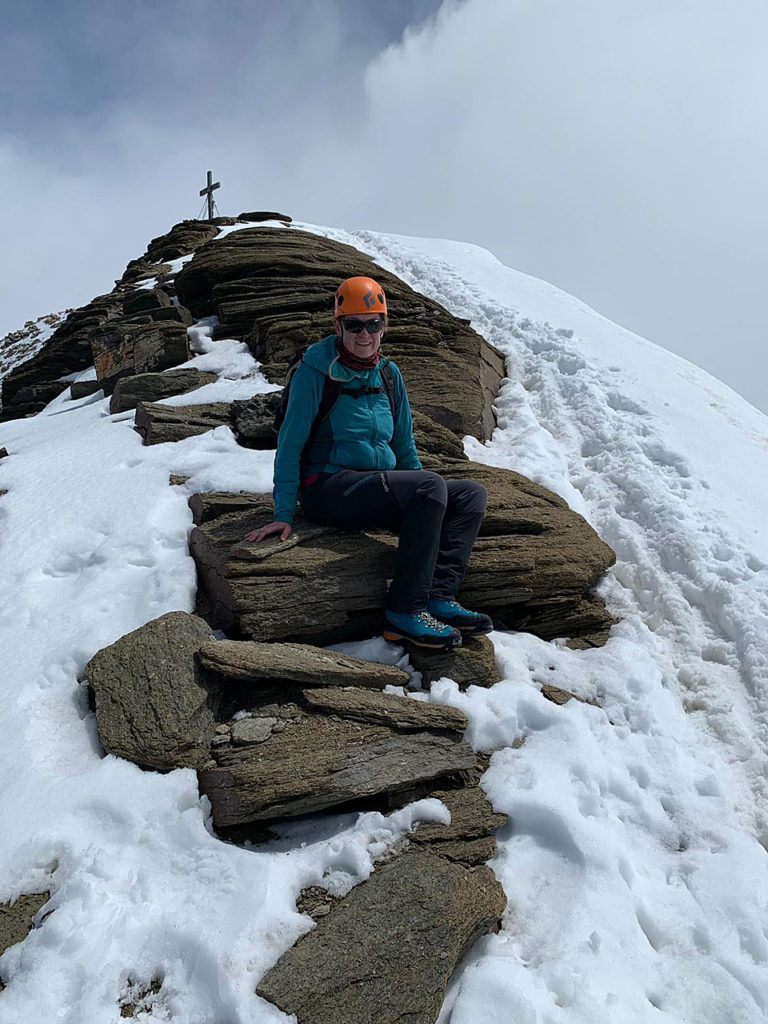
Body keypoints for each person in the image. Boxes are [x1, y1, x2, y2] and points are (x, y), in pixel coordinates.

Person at [245, 275, 492, 650]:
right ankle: (405, 613)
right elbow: (290, 444)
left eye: (373, 324)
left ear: (384, 325)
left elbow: (404, 445)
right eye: (354, 325)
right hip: (327, 488)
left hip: (376, 484)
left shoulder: (389, 375)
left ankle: (438, 597)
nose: (364, 334)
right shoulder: (316, 371)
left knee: (469, 494)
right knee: (429, 487)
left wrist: (423, 502)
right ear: (338, 325)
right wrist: (283, 512)